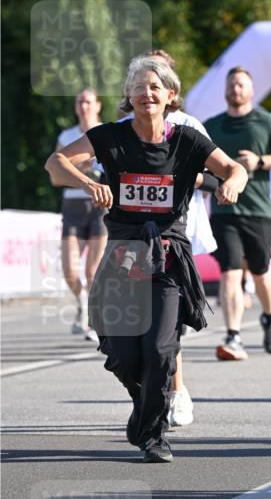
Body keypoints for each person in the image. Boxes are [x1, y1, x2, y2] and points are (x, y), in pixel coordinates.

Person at [45, 57, 247, 462]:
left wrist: (233, 185)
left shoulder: (187, 139)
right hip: (123, 256)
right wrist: (89, 183)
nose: (146, 94)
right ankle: (144, 405)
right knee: (124, 354)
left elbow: (233, 168)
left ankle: (154, 435)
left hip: (168, 258)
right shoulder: (110, 136)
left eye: (155, 86)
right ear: (128, 96)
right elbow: (56, 164)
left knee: (159, 349)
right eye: (138, 86)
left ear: (171, 95)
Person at [122, 48, 219, 428]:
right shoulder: (126, 126)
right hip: (135, 236)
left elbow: (214, 175)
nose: (149, 89)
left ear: (170, 86)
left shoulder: (188, 126)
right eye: (142, 80)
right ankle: (152, 394)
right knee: (138, 327)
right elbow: (102, 170)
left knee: (169, 320)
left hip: (178, 232)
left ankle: (174, 391)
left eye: (157, 78)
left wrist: (175, 175)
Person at [204, 67, 271, 361]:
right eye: (231, 84)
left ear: (251, 90)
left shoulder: (267, 121)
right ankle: (233, 336)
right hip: (223, 210)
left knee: (260, 272)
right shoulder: (212, 126)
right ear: (225, 90)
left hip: (258, 210)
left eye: (241, 84)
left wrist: (260, 161)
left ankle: (269, 318)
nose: (235, 89)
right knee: (230, 271)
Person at [52, 88, 107, 342]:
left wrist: (91, 175)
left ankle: (93, 322)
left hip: (98, 207)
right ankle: (82, 302)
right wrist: (79, 172)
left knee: (92, 271)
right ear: (75, 107)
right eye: (80, 102)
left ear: (98, 105)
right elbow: (55, 177)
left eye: (88, 102)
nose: (84, 106)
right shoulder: (66, 137)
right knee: (70, 272)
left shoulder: (107, 133)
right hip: (73, 208)